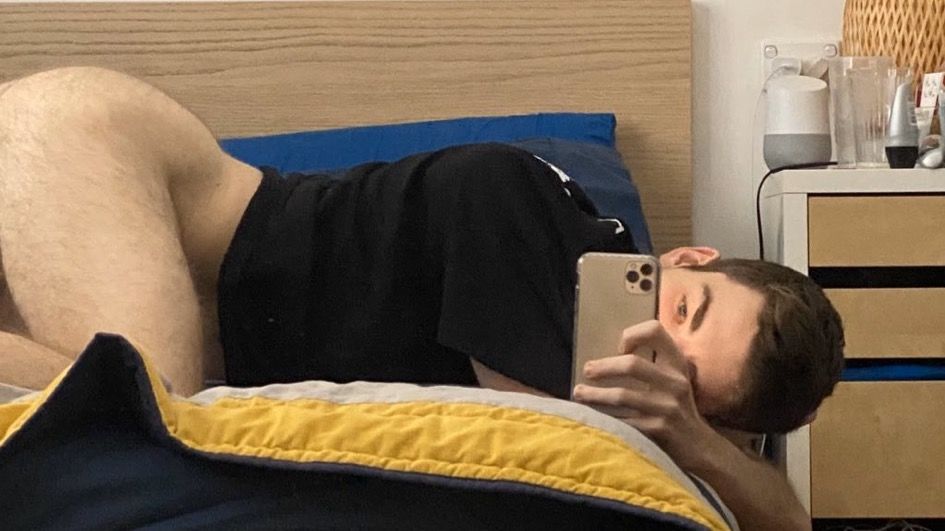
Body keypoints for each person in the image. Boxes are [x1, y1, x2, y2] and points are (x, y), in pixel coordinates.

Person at [0, 67, 843, 530]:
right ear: (689, 256)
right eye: (684, 308)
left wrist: (689, 432)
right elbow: (546, 431)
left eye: (683, 378)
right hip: (98, 149)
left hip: (92, 275)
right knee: (140, 414)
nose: (651, 345)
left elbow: (788, 526)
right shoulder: (527, 204)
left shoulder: (656, 412)